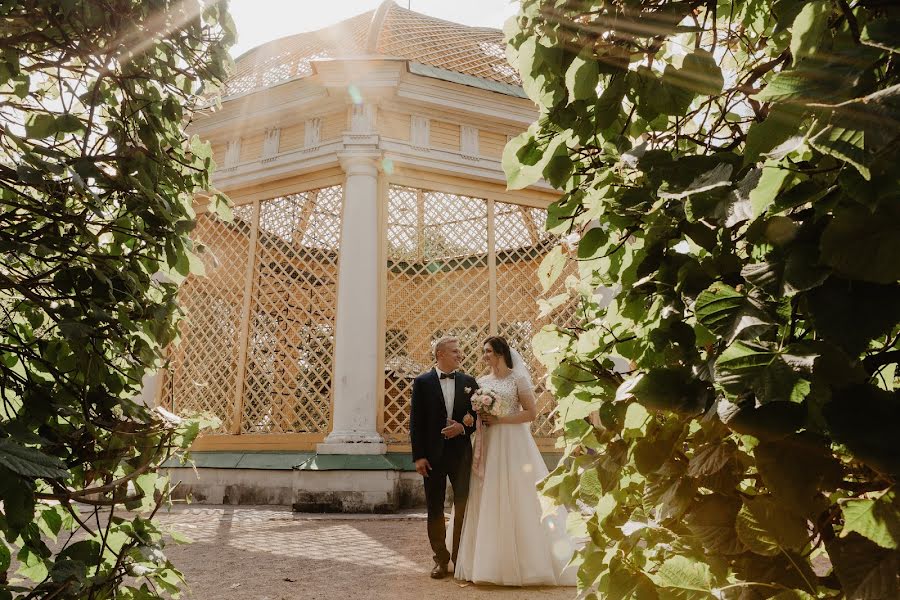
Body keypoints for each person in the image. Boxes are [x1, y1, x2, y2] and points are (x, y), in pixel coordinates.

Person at [452, 336, 577, 586]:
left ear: (500, 352)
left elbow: (531, 413)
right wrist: (476, 417)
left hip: (513, 441)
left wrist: (500, 420)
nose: (484, 355)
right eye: (483, 351)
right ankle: (488, 564)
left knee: (520, 493)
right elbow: (472, 412)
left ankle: (531, 564)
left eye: (488, 351)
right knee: (487, 494)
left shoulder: (517, 379)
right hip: (488, 442)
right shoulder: (482, 381)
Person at [409, 336, 478, 579]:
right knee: (435, 508)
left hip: (461, 455)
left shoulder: (470, 382)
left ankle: (460, 558)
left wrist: (463, 428)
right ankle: (440, 559)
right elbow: (415, 423)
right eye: (455, 351)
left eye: (460, 351)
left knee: (463, 506)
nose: (460, 355)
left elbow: (478, 417)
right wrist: (419, 457)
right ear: (440, 354)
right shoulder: (422, 382)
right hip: (432, 457)